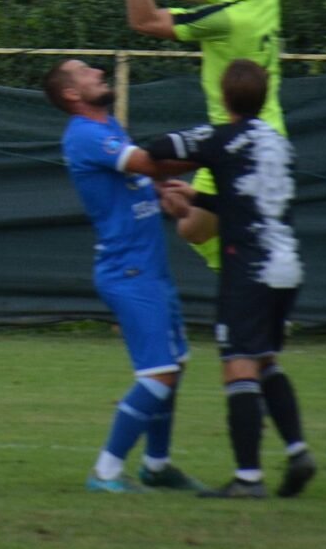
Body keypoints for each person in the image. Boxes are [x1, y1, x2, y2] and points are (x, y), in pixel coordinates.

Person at [146, 59, 317, 500]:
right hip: (287, 266)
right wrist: (198, 197)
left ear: (224, 98)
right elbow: (248, 204)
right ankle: (297, 451)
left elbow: (160, 146)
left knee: (238, 364)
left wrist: (166, 172)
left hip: (250, 269)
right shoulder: (280, 144)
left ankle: (248, 478)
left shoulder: (221, 137)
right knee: (265, 361)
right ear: (264, 96)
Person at [43, 58, 205, 494]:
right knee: (158, 374)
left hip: (150, 267)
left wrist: (163, 193)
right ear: (72, 94)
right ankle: (106, 471)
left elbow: (141, 179)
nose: (98, 72)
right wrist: (217, 144)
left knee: (175, 365)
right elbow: (149, 163)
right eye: (86, 72)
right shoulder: (85, 134)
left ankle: (157, 465)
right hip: (128, 271)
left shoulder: (109, 125)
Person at [111, 0, 285, 271]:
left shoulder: (229, 19)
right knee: (210, 226)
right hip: (257, 134)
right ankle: (251, 270)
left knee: (192, 228)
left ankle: (251, 275)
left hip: (241, 143)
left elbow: (144, 21)